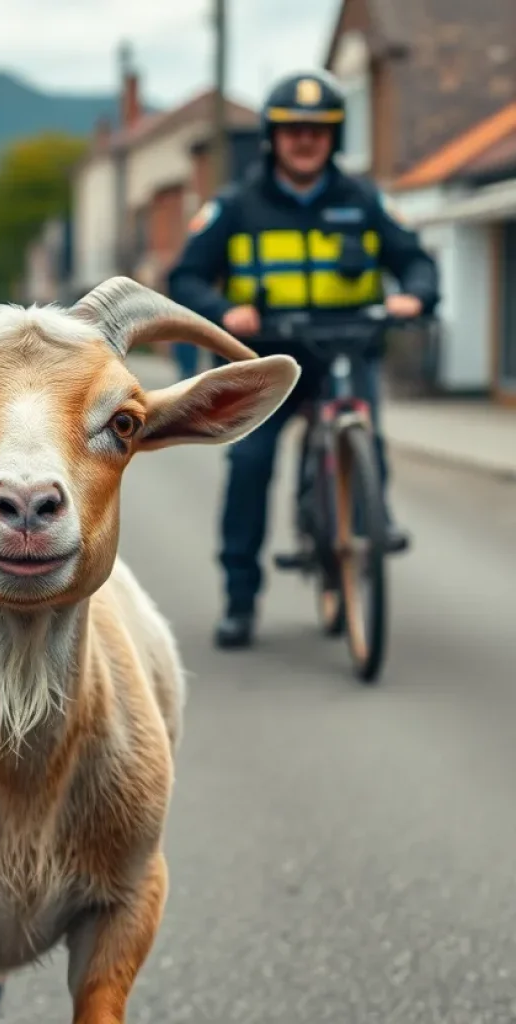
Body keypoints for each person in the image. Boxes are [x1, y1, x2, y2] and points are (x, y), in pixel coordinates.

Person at [167, 70, 439, 650]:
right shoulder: (235, 205)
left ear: (334, 136)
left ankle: (367, 525)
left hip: (346, 348)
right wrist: (225, 309)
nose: (306, 140)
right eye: (293, 130)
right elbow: (185, 277)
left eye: (319, 130)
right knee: (250, 463)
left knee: (366, 433)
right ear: (273, 136)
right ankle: (241, 599)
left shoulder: (365, 200)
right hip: (270, 361)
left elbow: (416, 260)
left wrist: (415, 295)